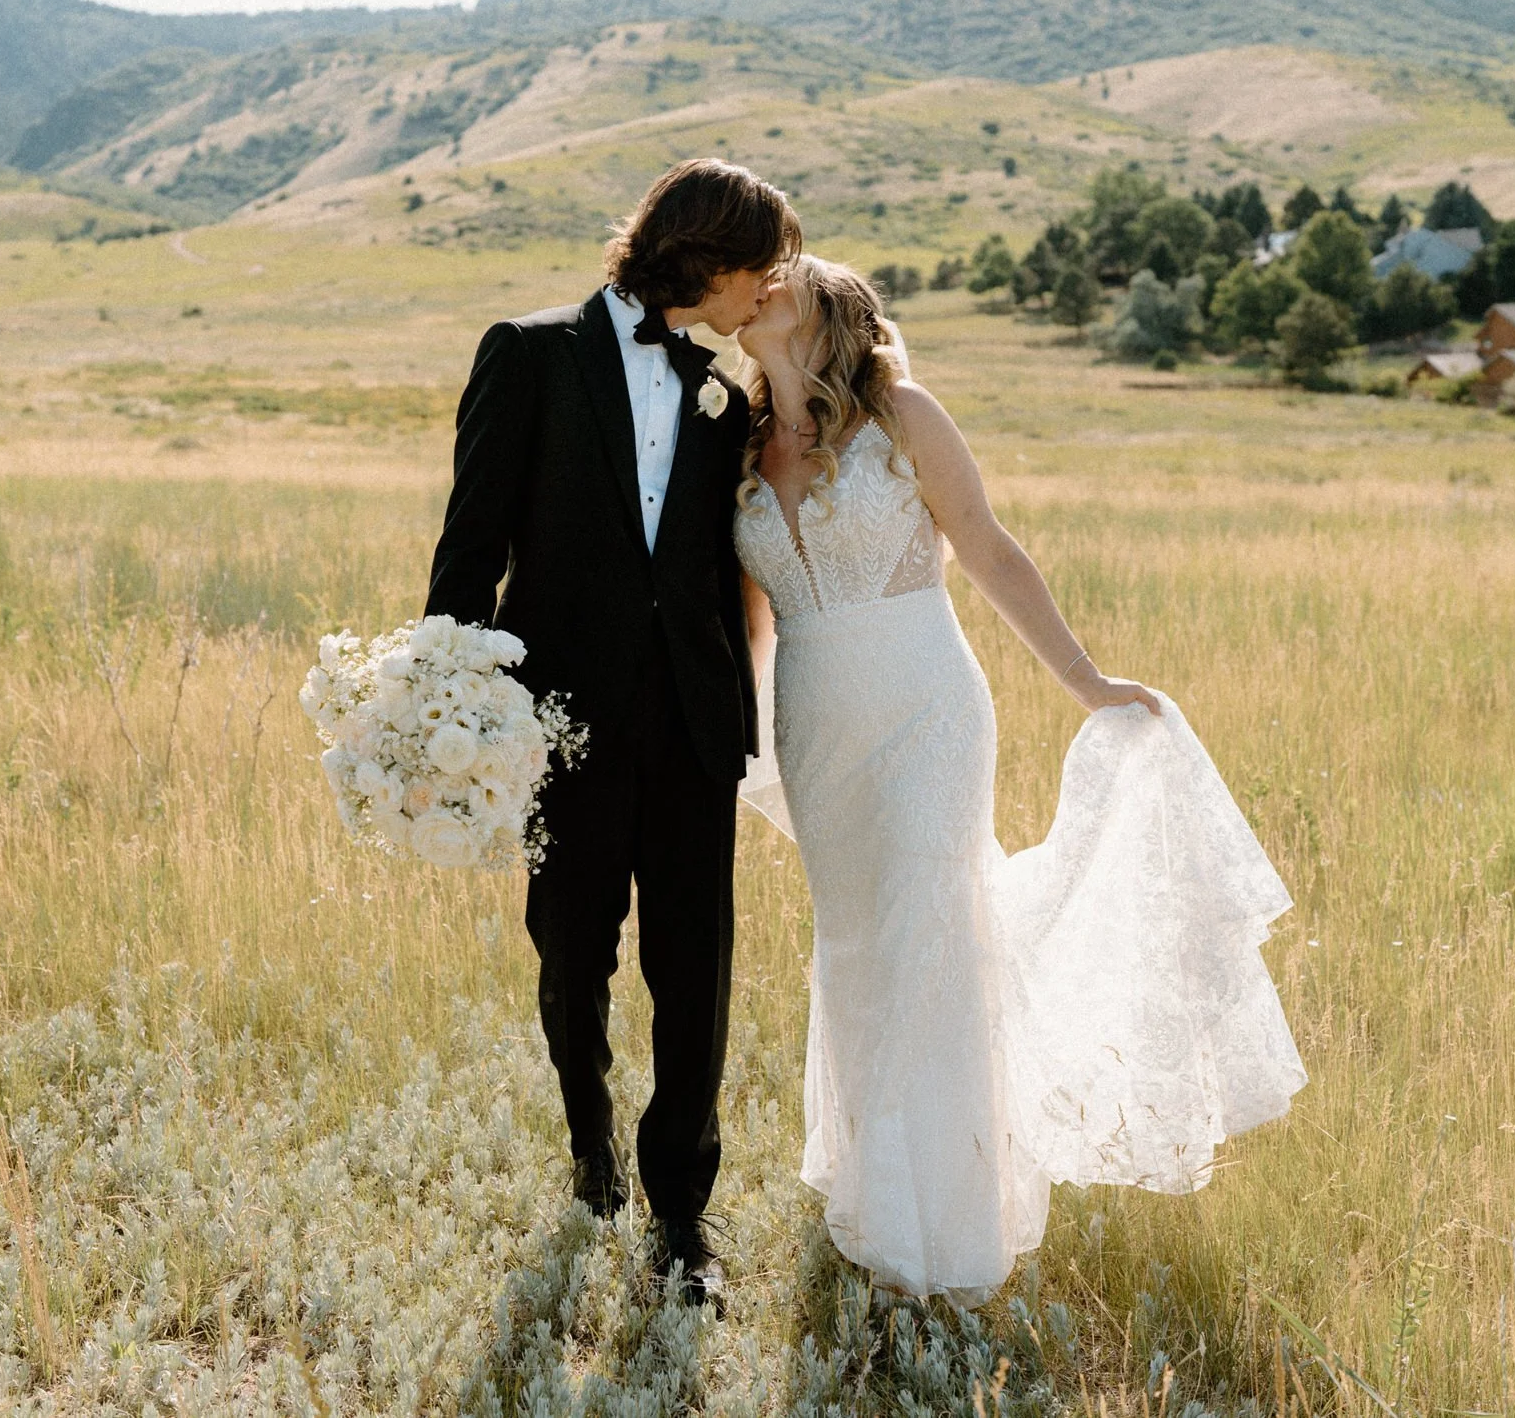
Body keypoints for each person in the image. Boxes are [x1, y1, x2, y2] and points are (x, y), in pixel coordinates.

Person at [733, 255, 1307, 1301]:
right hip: (817, 726)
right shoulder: (737, 446)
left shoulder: (901, 412)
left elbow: (989, 549)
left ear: (829, 314)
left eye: (783, 279)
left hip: (926, 713)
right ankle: (874, 1194)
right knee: (858, 947)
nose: (760, 287)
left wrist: (1087, 679)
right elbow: (747, 624)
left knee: (931, 934)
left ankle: (944, 1232)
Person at [424, 158, 800, 1310]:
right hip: (561, 728)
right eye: (762, 269)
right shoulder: (528, 353)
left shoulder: (726, 396)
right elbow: (469, 545)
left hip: (692, 726)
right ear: (713, 259)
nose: (767, 293)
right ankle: (591, 1154)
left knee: (696, 971)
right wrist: (456, 711)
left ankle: (683, 1215)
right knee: (569, 951)